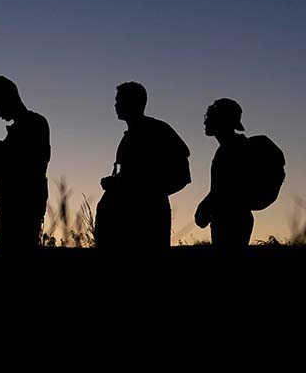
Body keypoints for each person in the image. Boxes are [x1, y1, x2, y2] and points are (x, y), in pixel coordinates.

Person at [97, 82, 190, 249]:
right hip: (121, 219)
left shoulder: (158, 130)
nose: (115, 105)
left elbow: (181, 173)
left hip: (147, 219)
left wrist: (147, 194)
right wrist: (115, 183)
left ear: (134, 103)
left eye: (119, 100)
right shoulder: (128, 137)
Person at [0, 76, 50, 251]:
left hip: (23, 207)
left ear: (8, 98)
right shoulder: (22, 129)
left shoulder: (36, 124)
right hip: (9, 205)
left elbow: (33, 164)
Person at [195, 98, 254, 249]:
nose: (205, 122)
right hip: (234, 218)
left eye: (209, 117)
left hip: (230, 220)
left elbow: (225, 188)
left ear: (221, 120)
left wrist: (204, 207)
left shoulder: (231, 150)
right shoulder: (231, 147)